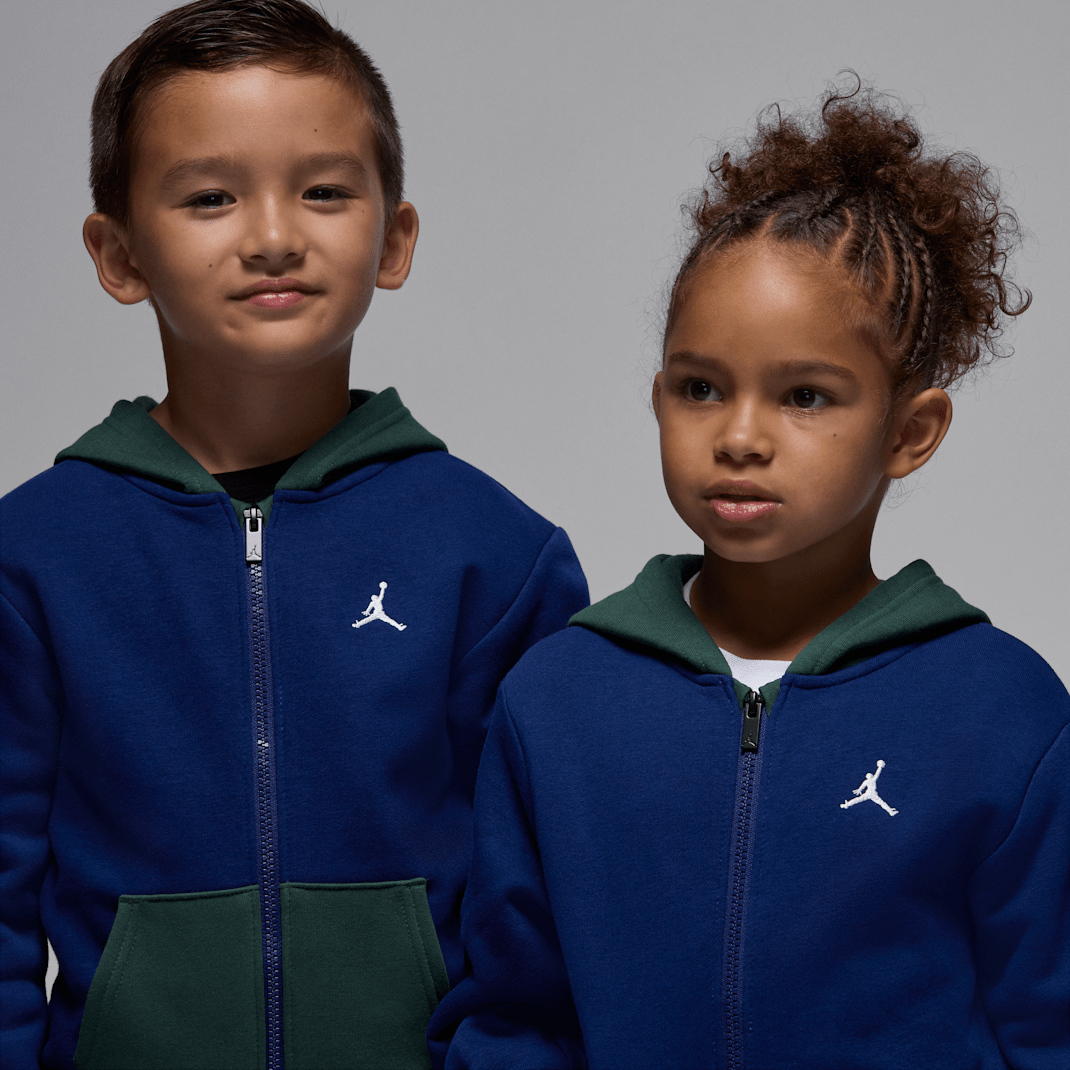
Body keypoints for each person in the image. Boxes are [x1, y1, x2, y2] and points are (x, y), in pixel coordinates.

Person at [429, 79, 1069, 1069]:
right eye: (700, 387)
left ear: (910, 431)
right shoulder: (556, 700)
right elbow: (514, 1016)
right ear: (657, 399)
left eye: (803, 396)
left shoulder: (1002, 713)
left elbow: (1046, 1027)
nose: (737, 436)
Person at [0, 1, 588, 1067]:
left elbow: (546, 910)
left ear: (393, 238)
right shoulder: (32, 560)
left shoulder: (498, 557)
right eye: (211, 197)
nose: (274, 235)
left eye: (323, 191)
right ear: (119, 254)